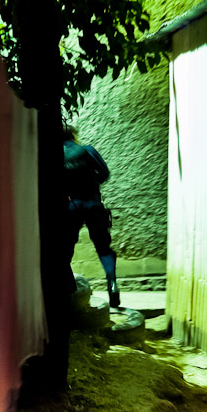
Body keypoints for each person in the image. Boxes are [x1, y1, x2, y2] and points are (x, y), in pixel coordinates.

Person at [62, 123, 120, 307]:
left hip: (72, 207)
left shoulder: (56, 156)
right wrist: (93, 185)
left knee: (66, 248)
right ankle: (112, 284)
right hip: (94, 204)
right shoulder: (87, 151)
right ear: (74, 135)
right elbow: (105, 173)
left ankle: (68, 289)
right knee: (103, 248)